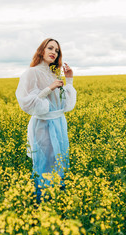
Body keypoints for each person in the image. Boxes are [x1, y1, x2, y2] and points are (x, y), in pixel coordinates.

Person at [15, 38, 77, 200]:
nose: (54, 53)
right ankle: (42, 201)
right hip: (43, 123)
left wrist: (69, 79)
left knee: (59, 161)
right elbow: (27, 102)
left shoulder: (52, 74)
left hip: (59, 122)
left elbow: (65, 105)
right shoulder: (32, 72)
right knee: (45, 162)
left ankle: (59, 200)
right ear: (41, 50)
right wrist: (48, 89)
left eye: (57, 51)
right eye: (50, 48)